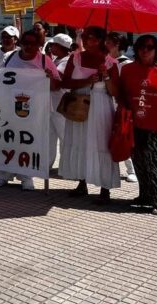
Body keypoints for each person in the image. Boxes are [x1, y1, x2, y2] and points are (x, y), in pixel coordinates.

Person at [0, 30, 60, 191]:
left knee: (29, 144)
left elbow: (57, 86)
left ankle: (26, 177)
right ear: (20, 43)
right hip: (10, 108)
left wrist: (49, 78)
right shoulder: (10, 58)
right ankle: (3, 174)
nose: (28, 46)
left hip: (35, 111)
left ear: (39, 45)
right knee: (7, 141)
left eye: (33, 43)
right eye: (25, 42)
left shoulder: (44, 60)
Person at [59, 26, 120, 203]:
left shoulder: (110, 63)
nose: (86, 40)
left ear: (101, 40)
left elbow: (115, 92)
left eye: (91, 37)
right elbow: (66, 82)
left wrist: (106, 76)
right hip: (78, 105)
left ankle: (105, 187)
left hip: (100, 107)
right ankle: (81, 181)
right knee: (79, 141)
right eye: (84, 36)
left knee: (101, 144)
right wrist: (86, 80)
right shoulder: (75, 58)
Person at [118, 35, 157, 216]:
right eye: (141, 46)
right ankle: (146, 195)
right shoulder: (128, 70)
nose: (145, 50)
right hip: (135, 124)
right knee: (140, 162)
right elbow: (121, 93)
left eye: (149, 47)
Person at [106, 31, 138, 183]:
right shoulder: (106, 62)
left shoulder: (125, 63)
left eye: (108, 42)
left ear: (117, 45)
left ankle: (132, 170)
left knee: (123, 136)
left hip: (121, 105)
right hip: (107, 102)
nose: (105, 45)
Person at [48, 33, 73, 168]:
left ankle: (66, 166)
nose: (51, 47)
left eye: (54, 45)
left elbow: (56, 84)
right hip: (51, 105)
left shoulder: (66, 61)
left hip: (61, 105)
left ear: (61, 46)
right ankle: (47, 164)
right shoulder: (56, 60)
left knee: (64, 137)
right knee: (50, 136)